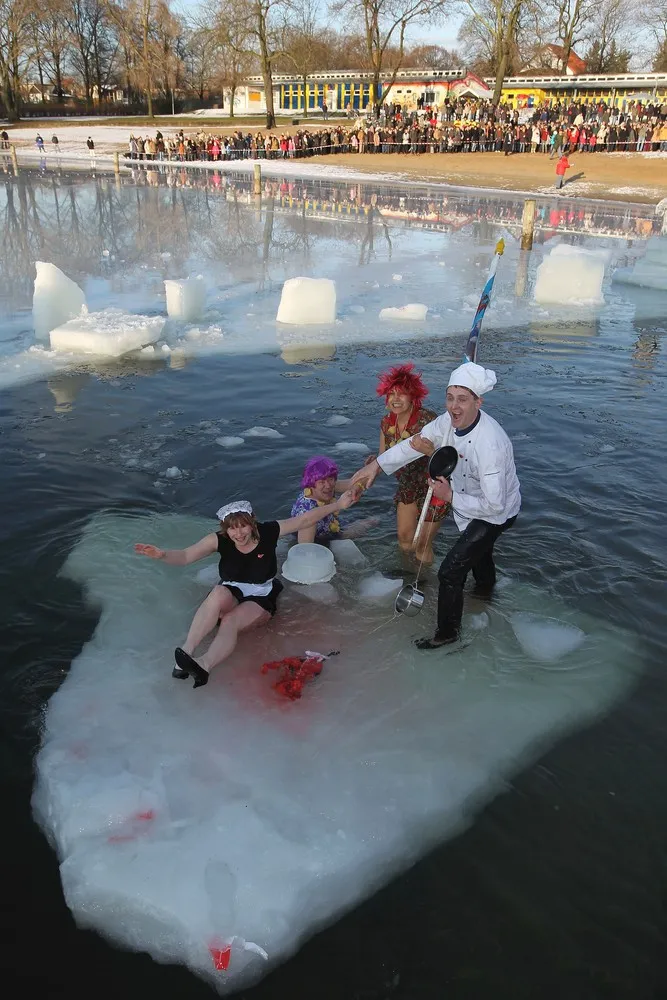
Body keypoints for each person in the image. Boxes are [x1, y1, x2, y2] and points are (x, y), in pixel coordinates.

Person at [350, 362, 520, 650]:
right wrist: (376, 467)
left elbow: (494, 505)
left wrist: (449, 495)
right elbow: (415, 444)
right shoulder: (446, 422)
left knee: (450, 571)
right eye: (450, 397)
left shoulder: (490, 445)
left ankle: (447, 632)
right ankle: (485, 592)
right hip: (468, 502)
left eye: (462, 399)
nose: (454, 406)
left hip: (496, 513)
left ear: (479, 402)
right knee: (479, 555)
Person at [134, 492, 359, 687]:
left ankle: (204, 665)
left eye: (243, 526)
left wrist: (338, 505)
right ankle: (187, 652)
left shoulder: (268, 532)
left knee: (231, 621)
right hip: (231, 592)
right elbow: (185, 556)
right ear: (225, 529)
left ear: (252, 522)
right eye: (232, 528)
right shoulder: (219, 540)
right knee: (218, 593)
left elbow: (303, 520)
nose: (238, 533)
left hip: (260, 597)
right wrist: (162, 555)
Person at [372, 363, 449, 565]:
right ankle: (408, 573)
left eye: (402, 394)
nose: (395, 399)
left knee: (422, 544)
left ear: (413, 396)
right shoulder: (386, 423)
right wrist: (372, 466)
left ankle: (424, 583)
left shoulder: (428, 420)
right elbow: (384, 457)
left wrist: (430, 451)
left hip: (435, 485)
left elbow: (448, 456)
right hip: (408, 484)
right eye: (391, 394)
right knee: (405, 540)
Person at [290, 456, 354, 544]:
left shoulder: (325, 488)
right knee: (371, 522)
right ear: (311, 484)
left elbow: (352, 484)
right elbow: (304, 549)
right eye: (322, 482)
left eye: (331, 479)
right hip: (322, 541)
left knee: (372, 521)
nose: (328, 486)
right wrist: (338, 505)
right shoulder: (307, 514)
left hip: (332, 526)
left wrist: (371, 470)